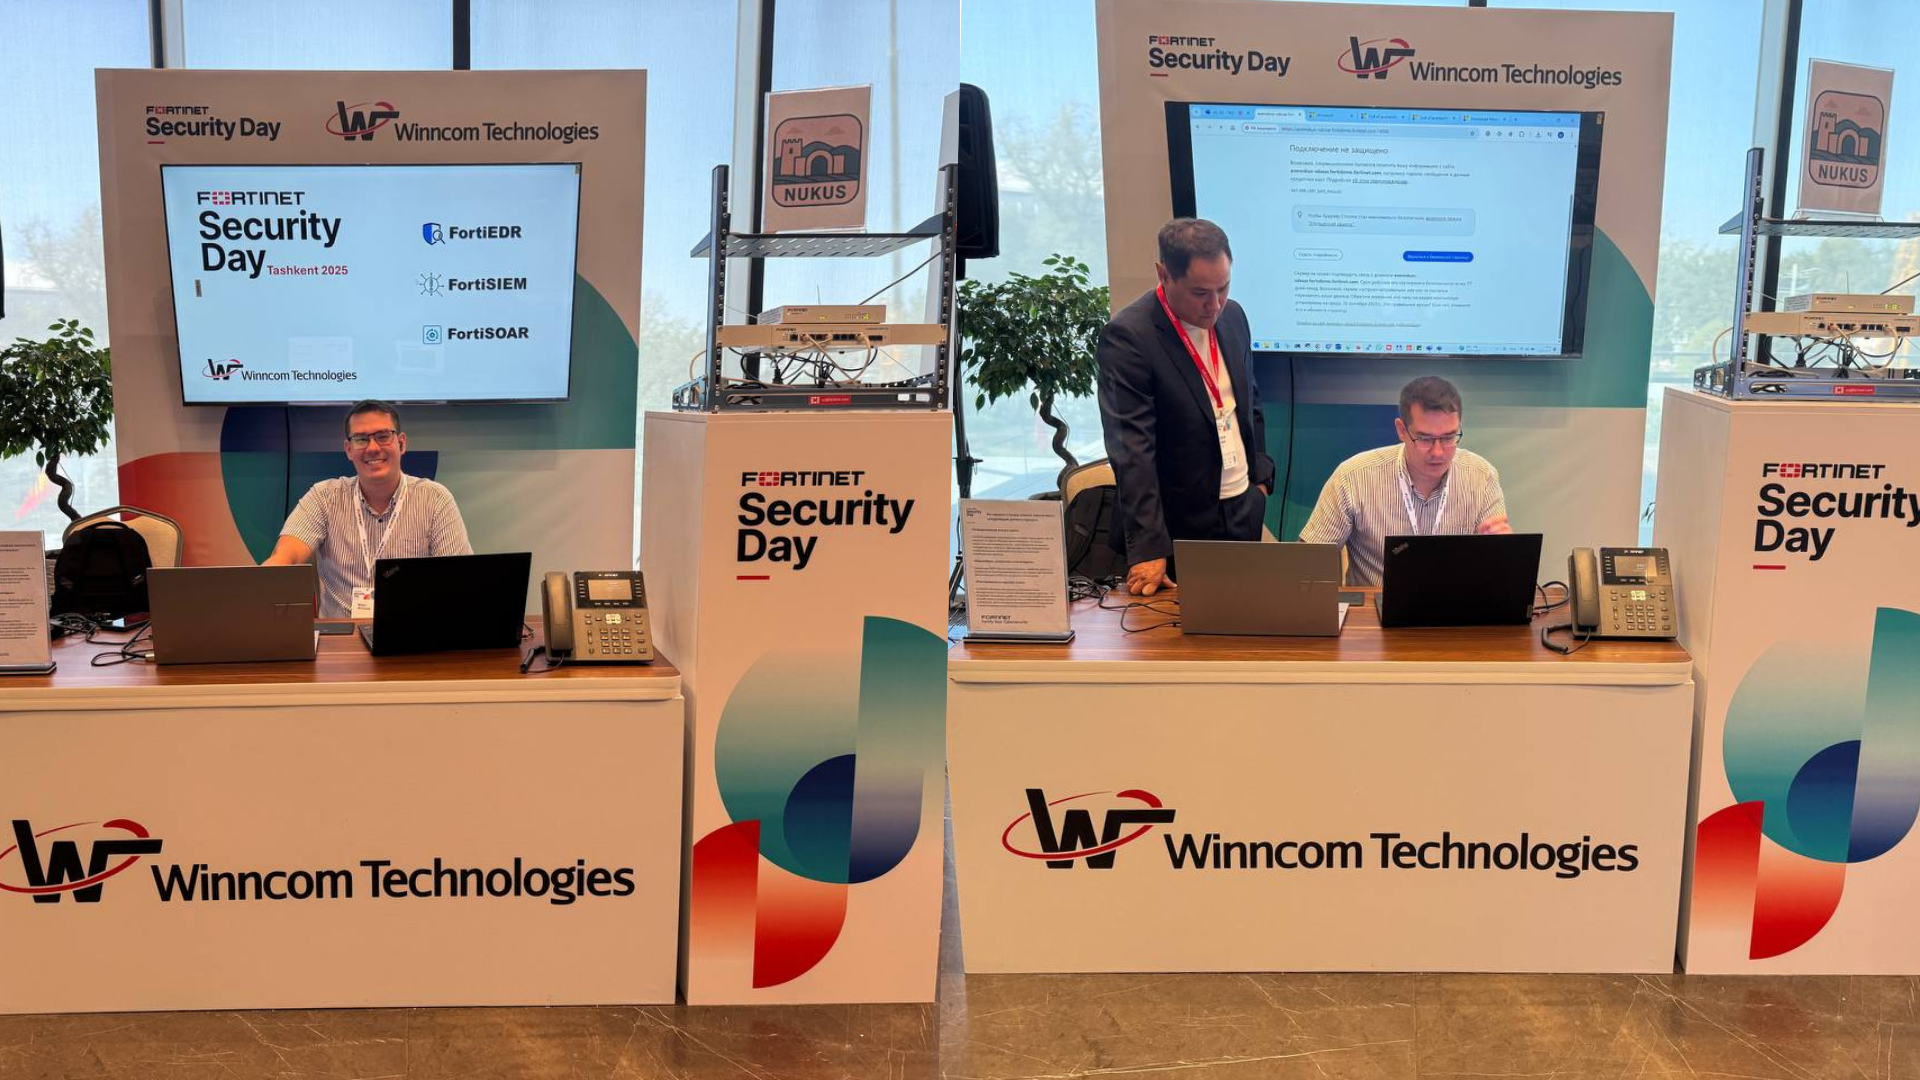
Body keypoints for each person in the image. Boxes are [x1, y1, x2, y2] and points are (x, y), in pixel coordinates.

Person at [1098, 218, 1276, 597]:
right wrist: (1150, 547)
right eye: (1200, 293)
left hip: (1242, 509)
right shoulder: (1130, 336)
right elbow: (1131, 450)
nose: (1215, 305)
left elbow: (1249, 403)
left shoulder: (1234, 317)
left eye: (1223, 288)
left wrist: (1259, 481)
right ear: (1164, 274)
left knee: (1245, 624)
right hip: (1177, 528)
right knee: (1175, 633)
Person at [263, 399, 472, 618]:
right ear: (349, 449)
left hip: (411, 629)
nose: (372, 448)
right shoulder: (324, 497)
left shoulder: (435, 499)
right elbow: (286, 556)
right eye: (361, 439)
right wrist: (267, 578)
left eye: (383, 436)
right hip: (341, 633)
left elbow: (458, 579)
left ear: (401, 444)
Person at [1298, 375, 1511, 586]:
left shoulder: (1482, 476)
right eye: (1425, 439)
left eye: (1448, 438)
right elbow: (1307, 562)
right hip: (1376, 603)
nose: (1438, 452)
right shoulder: (1353, 476)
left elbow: (1499, 572)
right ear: (1401, 430)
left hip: (1455, 603)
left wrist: (1504, 551)